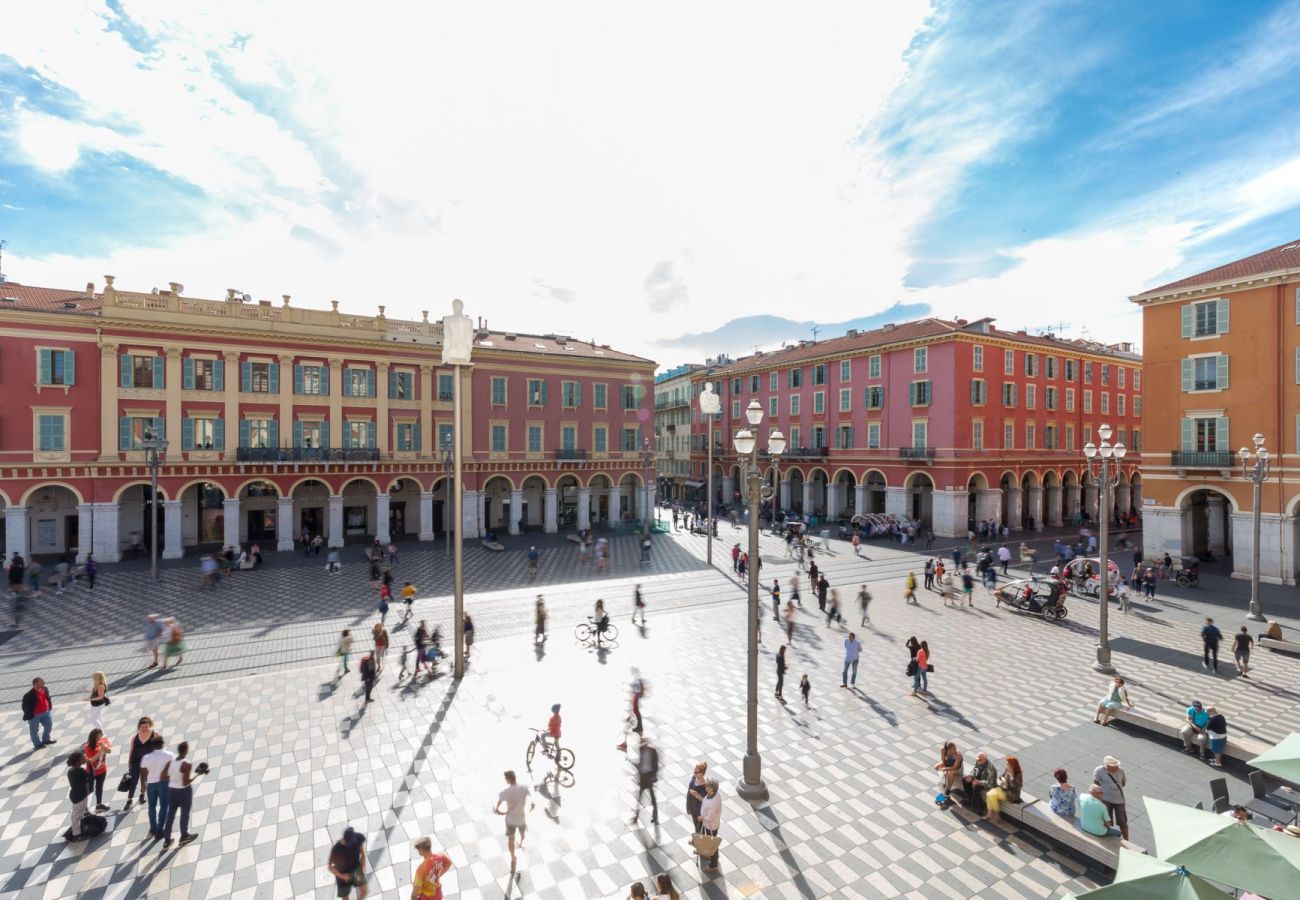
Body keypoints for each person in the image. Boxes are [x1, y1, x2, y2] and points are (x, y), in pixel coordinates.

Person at [162, 740, 206, 848]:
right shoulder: (187, 763)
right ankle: (184, 836)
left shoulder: (170, 762)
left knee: (170, 815)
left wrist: (173, 778)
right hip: (184, 792)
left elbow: (163, 776)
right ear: (186, 750)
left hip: (172, 790)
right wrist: (197, 774)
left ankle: (167, 840)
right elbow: (186, 781)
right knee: (184, 815)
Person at [495, 770, 534, 870]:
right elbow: (532, 801)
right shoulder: (524, 788)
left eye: (505, 779)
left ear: (508, 779)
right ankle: (522, 842)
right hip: (521, 818)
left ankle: (513, 858)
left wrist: (499, 811)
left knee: (511, 840)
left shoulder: (506, 792)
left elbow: (497, 805)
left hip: (510, 821)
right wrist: (531, 807)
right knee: (522, 832)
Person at [141, 734, 175, 838]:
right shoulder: (170, 755)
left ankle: (153, 827)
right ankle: (160, 829)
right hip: (164, 783)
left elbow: (143, 772)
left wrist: (144, 785)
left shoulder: (146, 757)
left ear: (153, 745)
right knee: (164, 806)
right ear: (163, 744)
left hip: (151, 784)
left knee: (151, 806)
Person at [123, 717, 158, 811]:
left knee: (144, 780)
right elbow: (131, 750)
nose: (144, 728)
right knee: (133, 781)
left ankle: (142, 795)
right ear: (139, 727)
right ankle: (129, 800)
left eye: (146, 726)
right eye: (142, 727)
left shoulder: (154, 734)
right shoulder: (135, 737)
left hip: (148, 762)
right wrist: (129, 763)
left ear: (149, 725)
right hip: (136, 762)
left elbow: (160, 745)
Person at [1092, 756, 1129, 841]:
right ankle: (1111, 840)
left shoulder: (1121, 771)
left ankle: (1127, 841)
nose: (1116, 768)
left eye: (1116, 766)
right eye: (1113, 766)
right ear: (1107, 766)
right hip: (1105, 799)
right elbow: (1096, 783)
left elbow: (1123, 783)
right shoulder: (1099, 771)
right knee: (1107, 821)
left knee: (1123, 822)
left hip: (1119, 800)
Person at [326, 827, 368, 899]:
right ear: (344, 839)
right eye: (349, 843)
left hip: (356, 871)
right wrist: (342, 876)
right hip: (343, 875)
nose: (352, 844)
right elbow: (330, 867)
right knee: (345, 898)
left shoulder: (358, 838)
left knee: (364, 892)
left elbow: (362, 852)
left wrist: (362, 864)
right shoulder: (336, 849)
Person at [410, 836, 453, 900]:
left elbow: (414, 895)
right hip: (438, 894)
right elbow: (449, 863)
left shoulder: (421, 869)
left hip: (426, 897)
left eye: (418, 849)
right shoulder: (440, 857)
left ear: (421, 850)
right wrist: (438, 875)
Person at [64, 750, 92, 841]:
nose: (85, 759)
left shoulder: (71, 771)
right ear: (78, 761)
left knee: (79, 813)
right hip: (80, 797)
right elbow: (91, 777)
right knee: (76, 816)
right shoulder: (80, 771)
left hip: (76, 796)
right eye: (83, 758)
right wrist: (90, 764)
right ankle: (76, 834)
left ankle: (77, 831)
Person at [985, 755, 1022, 823]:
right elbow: (1000, 776)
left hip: (1012, 794)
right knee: (988, 794)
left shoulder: (1018, 774)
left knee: (992, 795)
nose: (1006, 764)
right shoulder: (1007, 769)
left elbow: (1016, 787)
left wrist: (1011, 777)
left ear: (1013, 764)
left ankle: (997, 815)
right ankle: (989, 814)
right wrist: (1003, 779)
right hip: (1004, 789)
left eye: (1008, 763)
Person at [632, 736, 660, 825]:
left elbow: (656, 765)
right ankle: (636, 816)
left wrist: (653, 776)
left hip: (649, 777)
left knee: (652, 798)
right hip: (643, 776)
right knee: (640, 797)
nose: (643, 746)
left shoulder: (653, 751)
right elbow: (641, 762)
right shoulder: (640, 749)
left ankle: (655, 816)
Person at [21, 676, 55, 749]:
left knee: (49, 725)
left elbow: (48, 698)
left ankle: (46, 739)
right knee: (34, 730)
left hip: (46, 712)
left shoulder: (45, 689)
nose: (44, 683)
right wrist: (30, 714)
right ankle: (37, 744)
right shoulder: (28, 695)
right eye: (42, 682)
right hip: (35, 715)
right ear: (35, 684)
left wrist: (49, 706)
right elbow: (24, 706)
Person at [698, 780, 722, 870]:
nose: (705, 785)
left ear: (712, 788)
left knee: (712, 844)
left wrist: (702, 818)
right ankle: (713, 857)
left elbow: (710, 817)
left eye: (707, 785)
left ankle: (713, 865)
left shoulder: (714, 801)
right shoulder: (712, 794)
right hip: (708, 825)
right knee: (712, 842)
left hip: (711, 826)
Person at [934, 741, 964, 805]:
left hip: (957, 770)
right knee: (941, 780)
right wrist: (939, 765)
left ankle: (948, 791)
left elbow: (955, 767)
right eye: (952, 750)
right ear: (947, 750)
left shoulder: (958, 754)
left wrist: (945, 769)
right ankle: (942, 795)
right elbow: (943, 761)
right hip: (947, 767)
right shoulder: (943, 750)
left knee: (951, 772)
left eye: (955, 749)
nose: (954, 751)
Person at [686, 762, 708, 833]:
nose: (694, 773)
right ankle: (698, 839)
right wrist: (688, 806)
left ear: (701, 773)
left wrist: (696, 794)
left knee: (699, 828)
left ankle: (699, 841)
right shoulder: (694, 777)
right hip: (692, 808)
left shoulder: (705, 785)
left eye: (696, 772)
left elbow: (706, 801)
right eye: (694, 771)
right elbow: (688, 793)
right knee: (696, 826)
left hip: (700, 811)